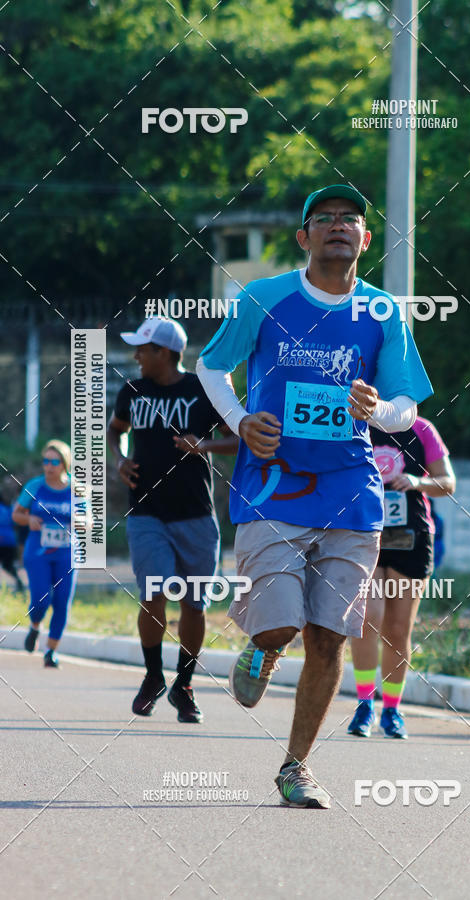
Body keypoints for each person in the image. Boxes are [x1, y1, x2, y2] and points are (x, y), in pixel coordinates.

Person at [197, 184, 433, 808]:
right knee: (281, 626)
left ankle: (296, 767)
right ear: (303, 238)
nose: (337, 227)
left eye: (349, 220)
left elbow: (406, 408)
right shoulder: (264, 298)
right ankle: (262, 644)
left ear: (365, 238)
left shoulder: (383, 312)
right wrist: (239, 418)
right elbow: (211, 366)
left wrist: (377, 408)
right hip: (273, 488)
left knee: (328, 635)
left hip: (351, 491)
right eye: (323, 219)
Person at [108, 316, 238, 724]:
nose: (136, 356)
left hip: (196, 515)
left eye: (142, 350)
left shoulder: (203, 391)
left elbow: (240, 438)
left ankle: (184, 685)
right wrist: (119, 460)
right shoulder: (133, 390)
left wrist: (206, 445)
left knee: (194, 605)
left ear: (164, 353)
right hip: (145, 511)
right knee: (152, 594)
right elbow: (115, 431)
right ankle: (152, 677)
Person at [347, 417, 455, 739]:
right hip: (365, 532)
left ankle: (392, 710)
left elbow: (447, 483)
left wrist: (417, 482)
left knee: (398, 628)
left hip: (411, 537)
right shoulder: (357, 424)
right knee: (369, 616)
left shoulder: (422, 430)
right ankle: (365, 704)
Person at [12, 440, 76, 667]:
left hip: (66, 553)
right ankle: (35, 626)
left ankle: (50, 651)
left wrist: (81, 521)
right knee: (41, 599)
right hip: (37, 551)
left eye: (54, 461)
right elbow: (16, 514)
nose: (48, 466)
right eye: (45, 461)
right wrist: (28, 519)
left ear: (64, 463)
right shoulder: (35, 485)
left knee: (61, 602)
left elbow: (89, 519)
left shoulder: (76, 488)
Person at [0, 491, 25, 592]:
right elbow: (15, 522)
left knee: (7, 565)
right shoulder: (7, 508)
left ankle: (19, 583)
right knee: (8, 565)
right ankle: (19, 583)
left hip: (3, 541)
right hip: (10, 541)